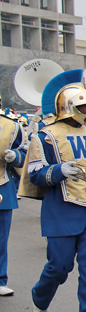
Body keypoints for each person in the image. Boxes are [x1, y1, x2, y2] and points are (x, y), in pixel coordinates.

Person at [23, 70, 86, 312]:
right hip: (61, 210)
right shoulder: (45, 136)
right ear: (70, 106)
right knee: (59, 267)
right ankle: (40, 297)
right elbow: (34, 173)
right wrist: (59, 170)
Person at [0, 113, 26, 297]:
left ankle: (0, 279)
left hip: (2, 185)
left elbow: (25, 153)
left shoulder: (11, 126)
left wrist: (15, 156)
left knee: (1, 239)